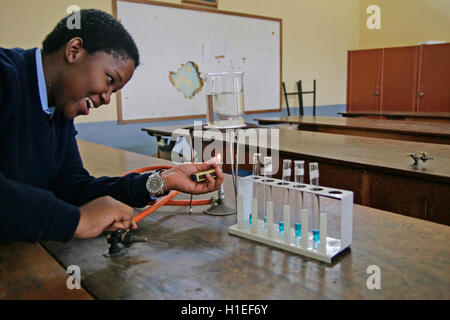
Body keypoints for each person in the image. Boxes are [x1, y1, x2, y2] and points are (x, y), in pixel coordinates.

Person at [0, 9, 223, 242]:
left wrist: (162, 181)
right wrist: (75, 221)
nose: (107, 99)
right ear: (74, 50)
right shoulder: (6, 76)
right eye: (109, 80)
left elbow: (74, 189)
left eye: (114, 92)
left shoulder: (58, 111)